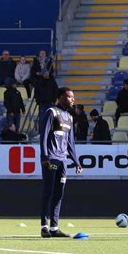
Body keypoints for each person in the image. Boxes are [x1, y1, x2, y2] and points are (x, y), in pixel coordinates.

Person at [39, 87, 82, 238]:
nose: (73, 100)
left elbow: (71, 143)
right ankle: (44, 226)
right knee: (48, 191)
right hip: (51, 158)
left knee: (59, 194)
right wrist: (44, 156)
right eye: (70, 97)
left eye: (73, 97)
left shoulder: (69, 117)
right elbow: (43, 136)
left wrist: (76, 161)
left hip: (63, 160)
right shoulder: (52, 112)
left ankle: (54, 228)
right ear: (61, 97)